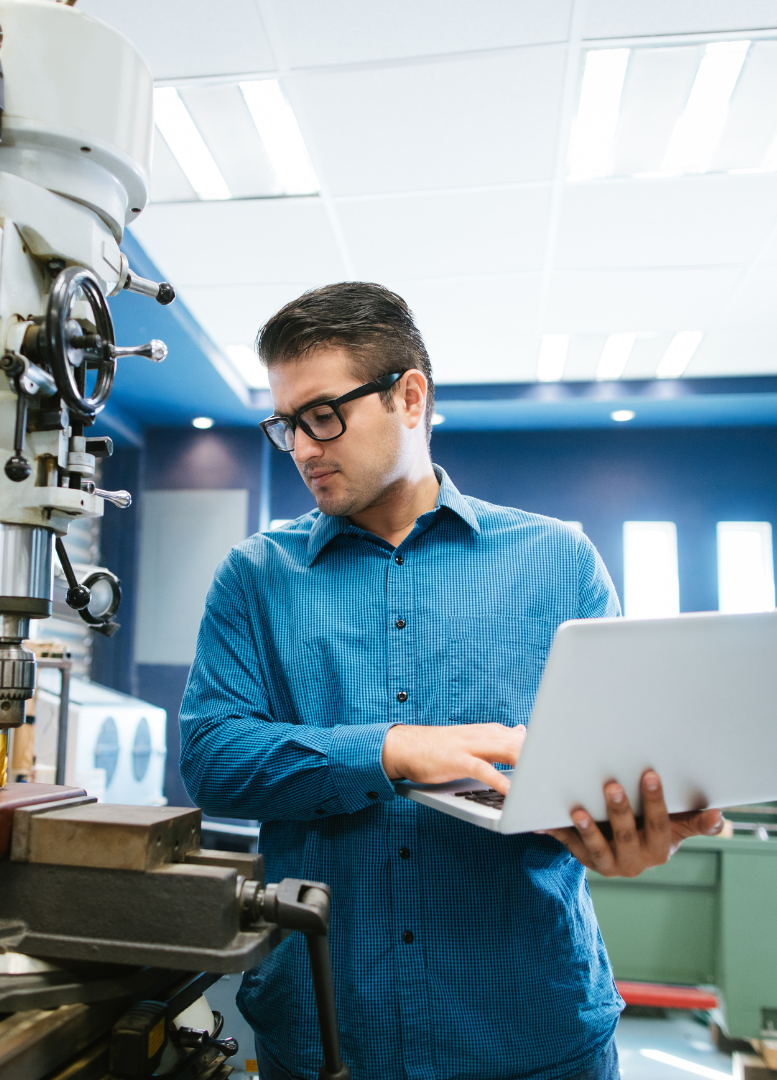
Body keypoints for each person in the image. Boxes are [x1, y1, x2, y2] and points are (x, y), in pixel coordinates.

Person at [179, 283, 724, 1080]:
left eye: (323, 415)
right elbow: (212, 758)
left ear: (409, 396)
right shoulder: (256, 576)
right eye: (285, 424)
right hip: (325, 1035)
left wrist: (626, 837)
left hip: (529, 1036)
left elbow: (615, 764)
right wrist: (393, 751)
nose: (301, 447)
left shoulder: (558, 563)